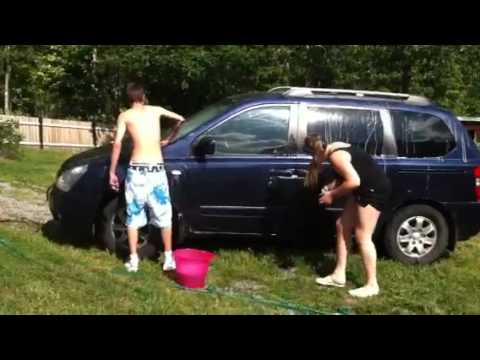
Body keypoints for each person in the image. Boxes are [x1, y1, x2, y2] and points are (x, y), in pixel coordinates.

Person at [109, 82, 185, 273]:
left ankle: (134, 260)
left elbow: (117, 144)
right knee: (163, 214)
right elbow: (181, 119)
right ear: (143, 96)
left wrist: (112, 171)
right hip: (156, 170)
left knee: (133, 214)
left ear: (129, 97)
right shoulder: (156, 110)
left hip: (137, 170)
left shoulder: (125, 116)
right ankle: (168, 258)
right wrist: (169, 139)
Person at [304, 135, 391, 298]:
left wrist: (332, 195)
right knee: (342, 225)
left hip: (373, 191)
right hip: (364, 188)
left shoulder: (336, 156)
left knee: (363, 236)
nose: (314, 161)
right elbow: (347, 172)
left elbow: (354, 181)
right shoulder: (335, 146)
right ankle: (338, 276)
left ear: (318, 151)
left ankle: (372, 284)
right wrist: (331, 187)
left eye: (312, 156)